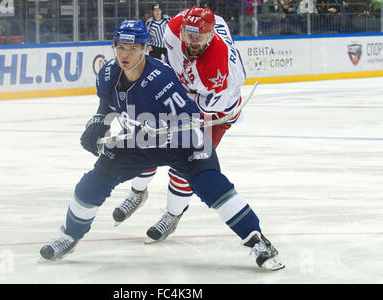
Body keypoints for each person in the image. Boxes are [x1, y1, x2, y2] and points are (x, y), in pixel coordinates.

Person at [39, 19, 284, 271]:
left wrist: (165, 125)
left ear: (145, 48)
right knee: (90, 184)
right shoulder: (108, 73)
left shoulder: (161, 79)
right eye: (121, 47)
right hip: (138, 141)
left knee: (213, 186)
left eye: (133, 48)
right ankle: (69, 236)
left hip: (182, 143)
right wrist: (98, 123)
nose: (125, 54)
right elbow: (107, 104)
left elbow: (192, 118)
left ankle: (257, 240)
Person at [112, 6, 250, 244]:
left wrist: (169, 117)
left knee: (187, 164)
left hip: (216, 113)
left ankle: (172, 214)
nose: (192, 41)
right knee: (143, 141)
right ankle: (137, 192)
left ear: (211, 35)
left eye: (200, 36)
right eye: (189, 34)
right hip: (184, 93)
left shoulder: (221, 70)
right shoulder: (173, 29)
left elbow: (202, 111)